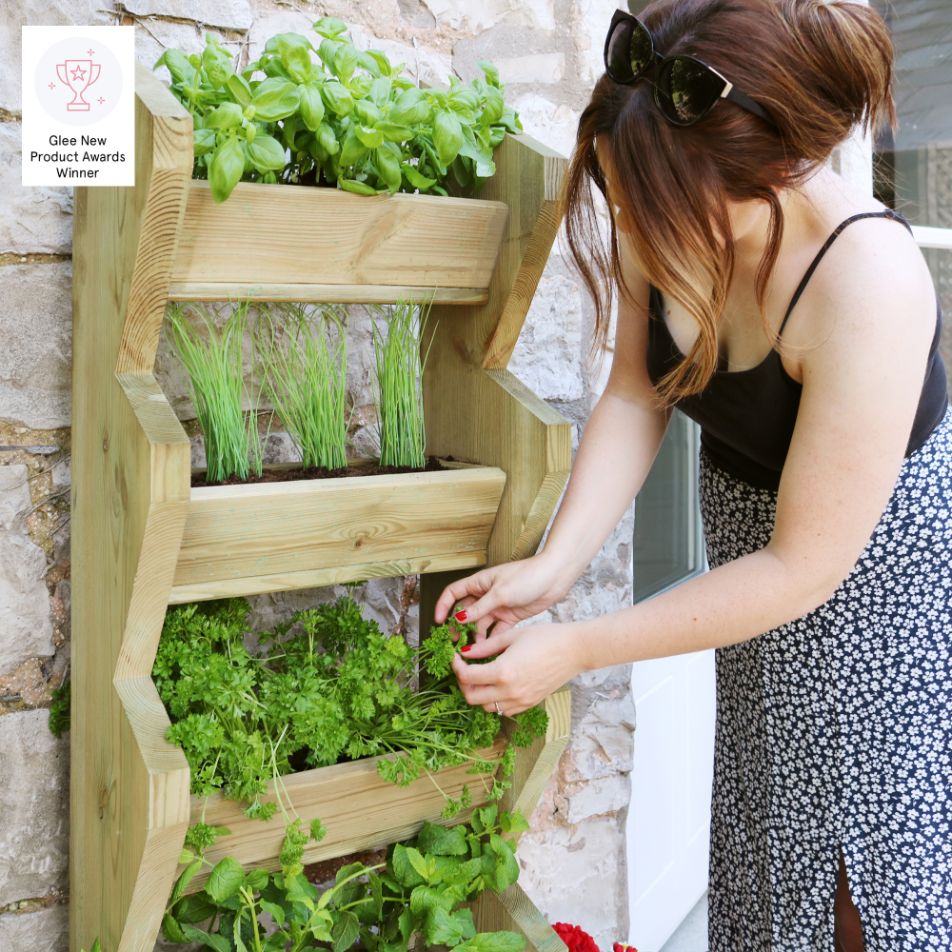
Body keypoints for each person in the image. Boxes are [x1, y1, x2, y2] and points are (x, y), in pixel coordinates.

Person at [432, 1, 952, 950]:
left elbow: (805, 569)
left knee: (864, 881)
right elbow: (639, 393)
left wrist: (578, 645)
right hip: (755, 577)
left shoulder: (866, 281)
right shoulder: (668, 189)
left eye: (650, 208)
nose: (632, 226)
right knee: (766, 839)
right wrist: (556, 567)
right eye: (628, 202)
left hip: (879, 596)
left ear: (776, 174)